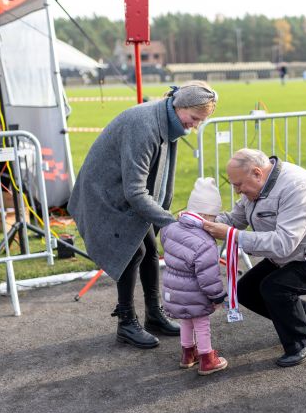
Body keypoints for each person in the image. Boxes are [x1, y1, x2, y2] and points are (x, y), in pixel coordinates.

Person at [67, 81, 218, 349]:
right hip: (104, 192)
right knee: (132, 251)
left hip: (124, 191)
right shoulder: (145, 124)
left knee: (149, 250)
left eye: (200, 122)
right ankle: (126, 322)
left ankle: (154, 315)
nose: (195, 126)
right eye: (195, 118)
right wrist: (171, 223)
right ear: (180, 105)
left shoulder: (167, 119)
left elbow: (157, 181)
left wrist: (164, 215)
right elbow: (135, 191)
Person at [202, 148, 306, 367]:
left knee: (274, 287)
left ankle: (304, 342)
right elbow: (235, 219)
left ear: (257, 173)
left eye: (238, 185)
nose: (237, 191)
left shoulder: (299, 187)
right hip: (293, 256)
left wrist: (232, 235)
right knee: (245, 290)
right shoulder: (257, 185)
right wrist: (201, 222)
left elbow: (283, 244)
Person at [160, 177, 228, 375]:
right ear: (206, 214)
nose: (214, 222)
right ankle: (207, 359)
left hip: (173, 290)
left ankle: (188, 354)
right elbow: (208, 277)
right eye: (213, 218)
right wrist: (217, 296)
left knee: (185, 321)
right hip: (195, 293)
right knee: (201, 324)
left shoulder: (170, 228)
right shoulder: (205, 242)